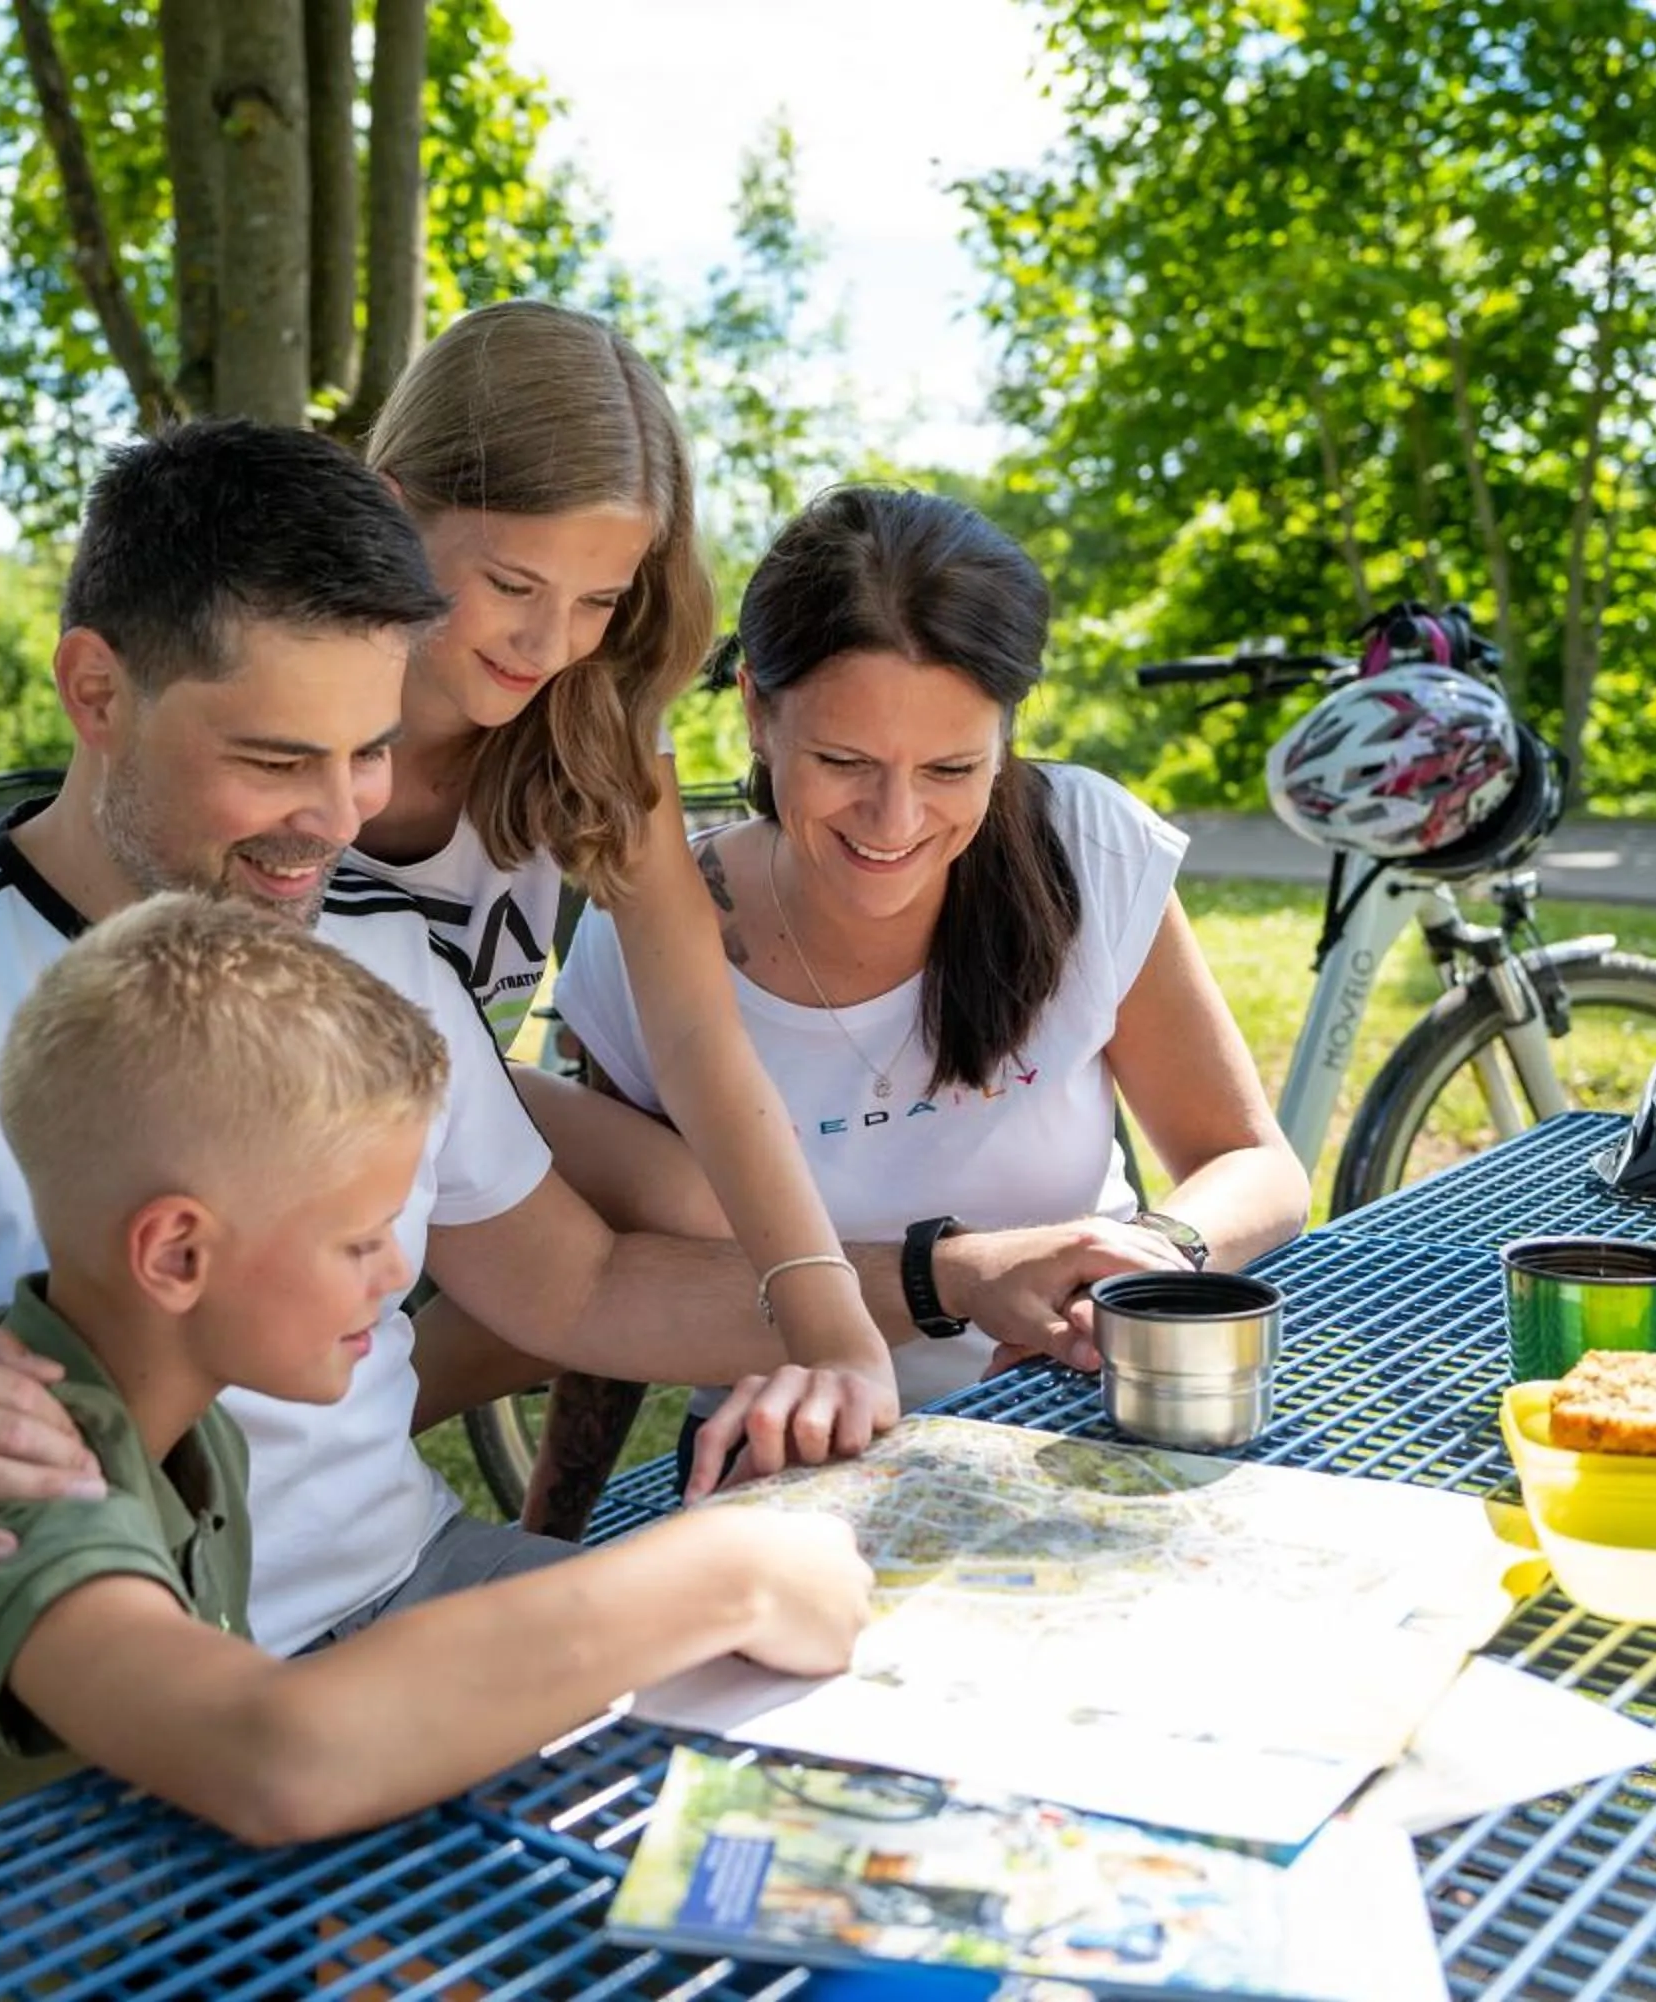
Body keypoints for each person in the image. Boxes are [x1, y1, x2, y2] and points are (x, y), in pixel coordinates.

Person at [0, 421, 1084, 1658]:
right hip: (56, 1723)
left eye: (366, 752)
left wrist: (941, 1284)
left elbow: (581, 1282)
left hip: (414, 1594)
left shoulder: (373, 945)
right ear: (98, 690)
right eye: (275, 758)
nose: (335, 823)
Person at [0, 894, 872, 1980]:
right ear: (178, 1249)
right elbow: (272, 1754)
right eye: (362, 1239)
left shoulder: (194, 1442)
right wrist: (725, 1569)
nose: (396, 1271)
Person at [530, 487, 1311, 1529]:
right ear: (758, 712)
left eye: (952, 768)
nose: (895, 823)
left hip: (1076, 1418)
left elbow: (1255, 1163)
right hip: (799, 1457)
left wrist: (1132, 1265)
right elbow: (619, 1271)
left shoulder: (1086, 848)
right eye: (844, 763)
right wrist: (554, 1533)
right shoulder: (651, 943)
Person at [351, 302, 902, 1471]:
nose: (551, 642)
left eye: (598, 601)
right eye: (514, 582)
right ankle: (318, 1435)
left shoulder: (590, 713)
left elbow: (698, 1035)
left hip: (441, 1103)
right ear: (393, 513)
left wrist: (838, 1329)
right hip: (264, 1117)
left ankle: (371, 1420)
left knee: (701, 1205)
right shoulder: (293, 713)